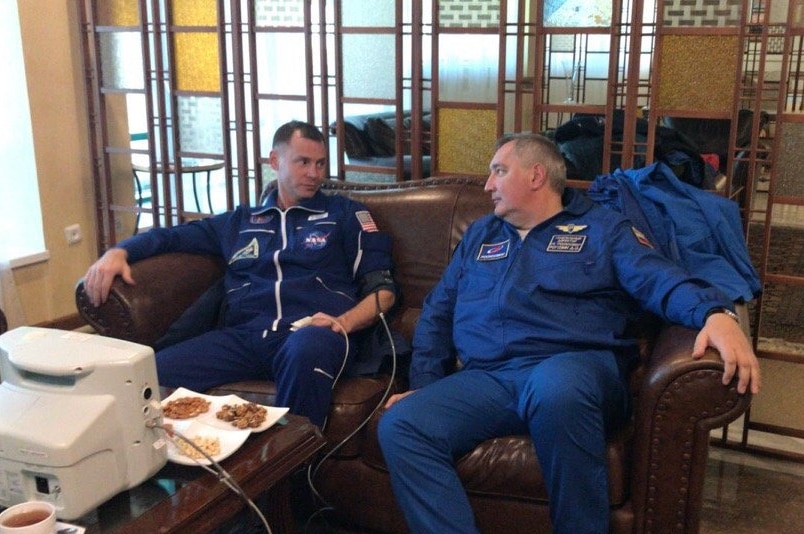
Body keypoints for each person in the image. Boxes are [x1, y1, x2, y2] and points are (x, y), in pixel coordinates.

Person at [377, 133, 761, 534]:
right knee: (403, 423)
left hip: (578, 369)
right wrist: (426, 383)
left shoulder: (603, 230)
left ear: (536, 175)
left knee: (555, 386)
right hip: (489, 377)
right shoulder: (481, 235)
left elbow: (660, 280)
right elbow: (438, 312)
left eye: (499, 171)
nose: (488, 185)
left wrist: (715, 314)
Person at [83, 120, 397, 427]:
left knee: (306, 350)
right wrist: (119, 252)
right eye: (303, 162)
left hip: (313, 332)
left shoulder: (344, 213)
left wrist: (342, 323)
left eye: (320, 163)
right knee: (150, 373)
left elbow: (383, 292)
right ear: (275, 161)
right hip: (244, 337)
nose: (314, 174)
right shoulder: (241, 221)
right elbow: (171, 237)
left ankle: (295, 473)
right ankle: (172, 469)